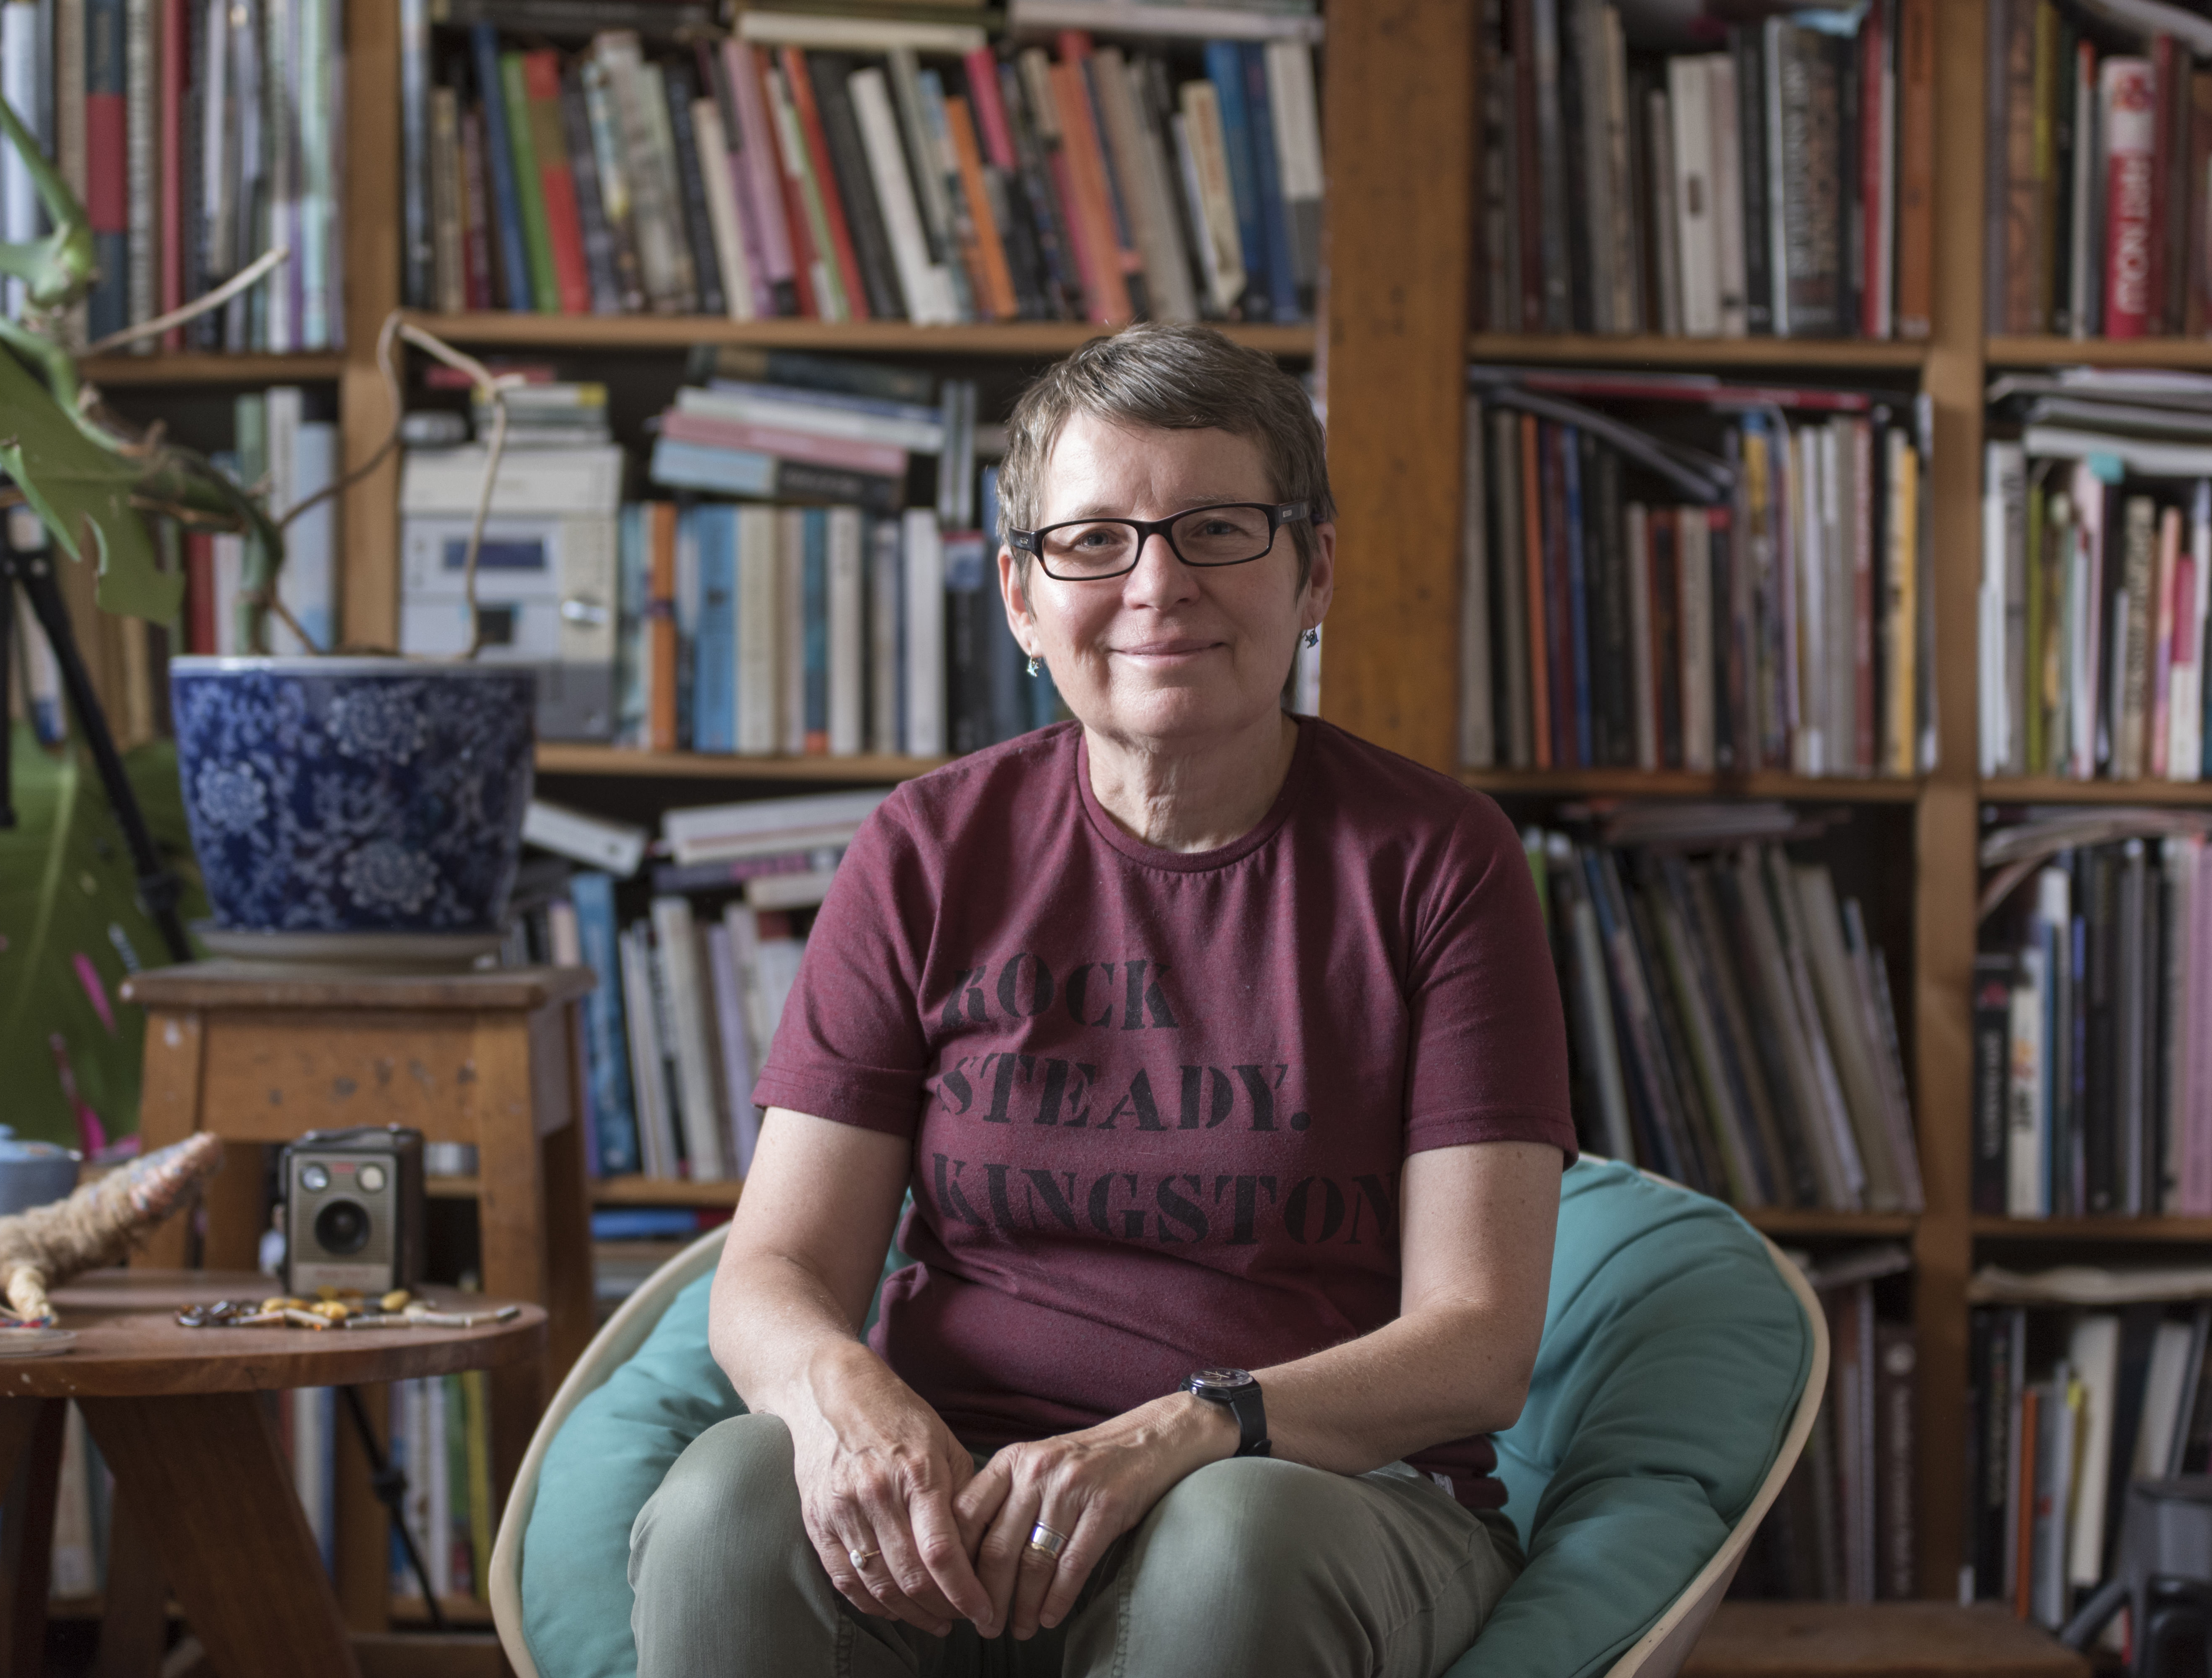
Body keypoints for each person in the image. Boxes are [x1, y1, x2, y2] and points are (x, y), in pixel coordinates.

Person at [629, 323, 1576, 1678]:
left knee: (1230, 1544)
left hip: (1313, 1498)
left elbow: (1477, 1346)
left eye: (1219, 530)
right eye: (1095, 541)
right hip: (966, 1501)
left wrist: (1184, 1431)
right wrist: (845, 1399)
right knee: (727, 1503)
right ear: (1021, 597)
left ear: (1314, 573)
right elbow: (772, 1275)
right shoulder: (930, 849)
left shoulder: (1437, 862)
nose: (1159, 585)